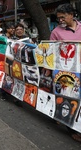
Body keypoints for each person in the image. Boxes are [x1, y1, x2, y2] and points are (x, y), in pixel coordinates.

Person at [50, 3, 81, 142]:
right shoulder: (56, 32)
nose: (60, 20)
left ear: (71, 15)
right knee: (69, 100)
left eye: (63, 17)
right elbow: (51, 53)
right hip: (66, 74)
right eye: (58, 18)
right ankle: (73, 129)